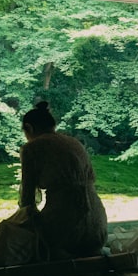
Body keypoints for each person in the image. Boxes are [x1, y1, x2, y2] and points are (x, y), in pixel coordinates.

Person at [18, 101, 108, 259]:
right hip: (97, 225)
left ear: (29, 128)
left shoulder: (32, 148)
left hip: (65, 224)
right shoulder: (74, 143)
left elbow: (27, 198)